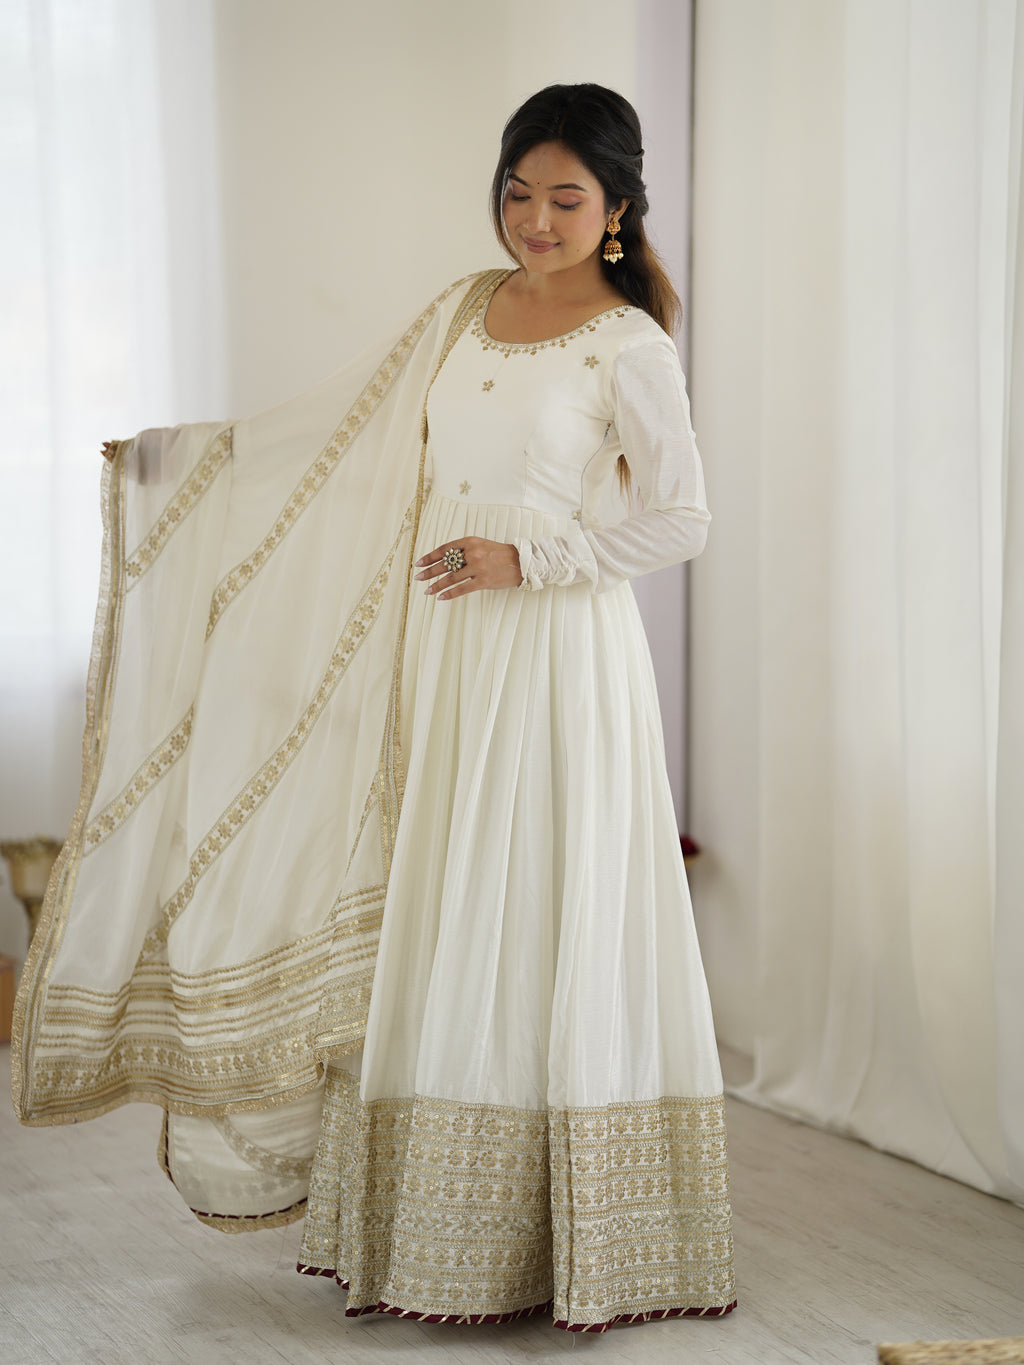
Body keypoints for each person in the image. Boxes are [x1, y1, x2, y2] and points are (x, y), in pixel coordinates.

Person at [14, 84, 736, 1333]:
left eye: (566, 199)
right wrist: (179, 469)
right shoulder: (465, 309)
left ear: (617, 209)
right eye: (518, 191)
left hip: (552, 656)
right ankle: (434, 1232)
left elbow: (682, 519)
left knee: (536, 893)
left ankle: (569, 1237)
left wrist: (533, 557)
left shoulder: (629, 344)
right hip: (442, 650)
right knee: (442, 900)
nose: (536, 219)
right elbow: (341, 441)